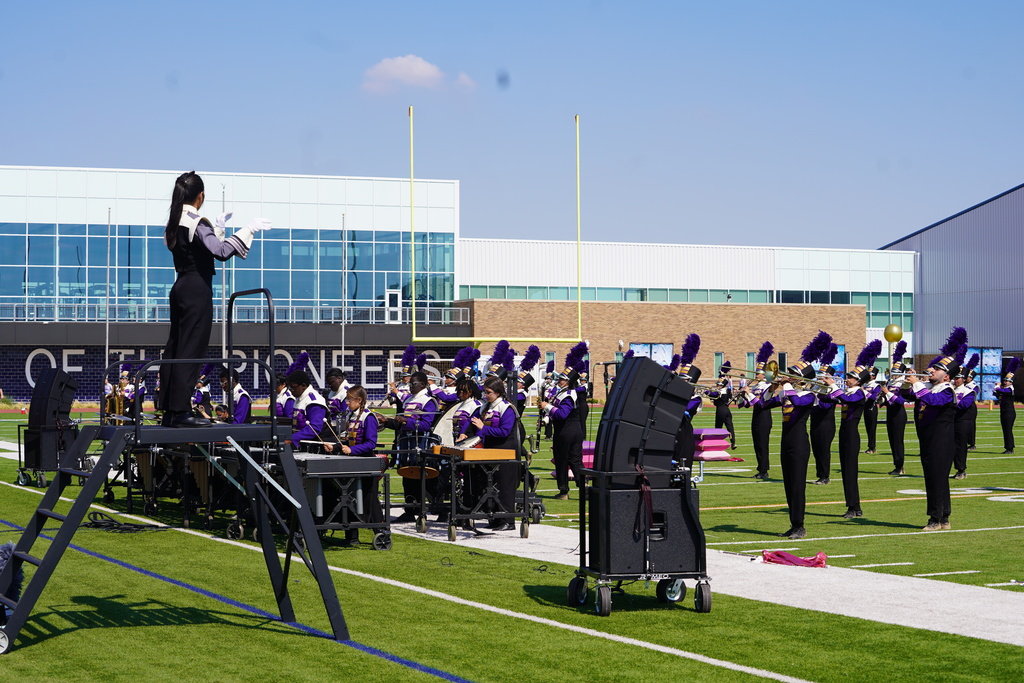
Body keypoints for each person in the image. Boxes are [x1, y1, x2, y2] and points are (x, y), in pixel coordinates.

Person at [158, 171, 270, 428]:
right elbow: (219, 251)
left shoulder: (175, 219)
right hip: (196, 288)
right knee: (191, 350)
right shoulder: (196, 220)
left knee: (176, 347)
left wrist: (217, 228)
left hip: (180, 286)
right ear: (201, 196)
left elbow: (197, 248)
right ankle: (181, 411)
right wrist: (247, 229)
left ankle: (170, 409)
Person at [900, 327, 965, 531]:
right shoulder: (930, 387)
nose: (931, 371)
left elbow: (933, 401)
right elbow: (908, 396)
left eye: (936, 369)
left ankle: (935, 519)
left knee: (935, 480)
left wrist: (918, 383)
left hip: (941, 442)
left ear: (946, 377)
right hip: (930, 440)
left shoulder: (946, 391)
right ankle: (944, 518)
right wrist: (906, 382)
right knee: (937, 480)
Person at [823, 340, 881, 519]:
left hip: (851, 435)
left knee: (850, 472)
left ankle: (854, 507)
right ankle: (853, 506)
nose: (847, 379)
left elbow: (847, 400)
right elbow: (829, 399)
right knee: (847, 471)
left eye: (850, 377)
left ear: (858, 380)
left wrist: (832, 385)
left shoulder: (859, 393)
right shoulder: (849, 392)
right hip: (844, 434)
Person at [322, 385, 387, 541]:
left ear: (359, 400)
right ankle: (351, 535)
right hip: (353, 463)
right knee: (348, 496)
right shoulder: (351, 415)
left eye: (349, 400)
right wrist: (335, 446)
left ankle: (381, 531)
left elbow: (371, 443)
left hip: (366, 463)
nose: (347, 403)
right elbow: (346, 440)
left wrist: (353, 451)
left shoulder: (368, 417)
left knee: (369, 499)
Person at [469, 376, 522, 530]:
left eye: (489, 392)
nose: (486, 395)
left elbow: (504, 431)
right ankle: (495, 517)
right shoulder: (486, 407)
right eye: (485, 392)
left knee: (505, 486)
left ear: (498, 392)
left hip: (506, 450)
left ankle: (508, 521)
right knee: (491, 485)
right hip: (490, 451)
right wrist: (465, 433)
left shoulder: (507, 408)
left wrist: (482, 428)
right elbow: (474, 422)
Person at [540, 353, 586, 501]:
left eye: (562, 379)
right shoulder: (563, 392)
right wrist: (547, 419)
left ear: (568, 381)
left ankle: (564, 491)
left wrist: (546, 406)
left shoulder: (567, 395)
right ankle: (583, 489)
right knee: (575, 460)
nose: (559, 381)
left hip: (566, 431)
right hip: (572, 430)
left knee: (563, 461)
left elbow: (562, 414)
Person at [743, 342, 775, 480]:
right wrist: (743, 396)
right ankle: (760, 468)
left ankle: (764, 470)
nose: (756, 374)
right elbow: (748, 404)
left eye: (758, 373)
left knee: (762, 444)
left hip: (764, 416)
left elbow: (761, 403)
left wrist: (749, 394)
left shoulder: (767, 386)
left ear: (764, 374)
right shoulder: (755, 385)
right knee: (757, 444)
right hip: (756, 415)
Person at [809, 344, 840, 484]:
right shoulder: (815, 386)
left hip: (825, 423)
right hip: (815, 421)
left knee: (823, 450)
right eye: (819, 375)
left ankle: (825, 476)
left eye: (822, 376)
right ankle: (820, 474)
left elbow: (826, 405)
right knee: (816, 449)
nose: (819, 378)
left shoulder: (832, 389)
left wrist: (814, 397)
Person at [288, 369, 329, 449]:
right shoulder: (299, 397)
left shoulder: (313, 401)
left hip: (315, 446)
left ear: (303, 386)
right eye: (289, 388)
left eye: (293, 387)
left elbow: (315, 428)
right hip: (302, 443)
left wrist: (292, 438)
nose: (291, 390)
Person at [951, 362, 976, 480]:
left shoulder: (969, 391)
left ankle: (961, 469)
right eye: (955, 377)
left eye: (958, 378)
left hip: (962, 421)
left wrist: (950, 403)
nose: (955, 380)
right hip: (951, 421)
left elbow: (964, 405)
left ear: (964, 379)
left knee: (960, 447)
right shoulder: (950, 389)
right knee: (950, 446)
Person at [708, 362, 736, 449]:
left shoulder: (719, 392)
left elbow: (710, 395)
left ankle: (717, 443)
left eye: (719, 384)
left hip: (720, 410)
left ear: (722, 385)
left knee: (718, 427)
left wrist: (708, 390)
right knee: (730, 427)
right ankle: (733, 442)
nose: (717, 385)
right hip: (727, 410)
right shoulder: (727, 390)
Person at [994, 358, 1018, 454]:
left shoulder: (1010, 389)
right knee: (1006, 430)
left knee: (1008, 431)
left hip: (1009, 413)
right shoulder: (1006, 389)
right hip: (1004, 412)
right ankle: (1008, 447)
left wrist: (997, 387)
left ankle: (1010, 448)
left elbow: (1001, 391)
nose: (1005, 382)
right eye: (1005, 380)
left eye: (1007, 381)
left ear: (1011, 382)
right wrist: (997, 390)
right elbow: (997, 393)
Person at [862, 367, 881, 454]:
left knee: (872, 428)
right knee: (867, 428)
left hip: (872, 408)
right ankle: (870, 446)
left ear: (874, 376)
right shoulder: (864, 384)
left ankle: (872, 447)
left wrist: (864, 392)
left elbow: (874, 397)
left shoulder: (876, 385)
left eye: (870, 374)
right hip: (865, 407)